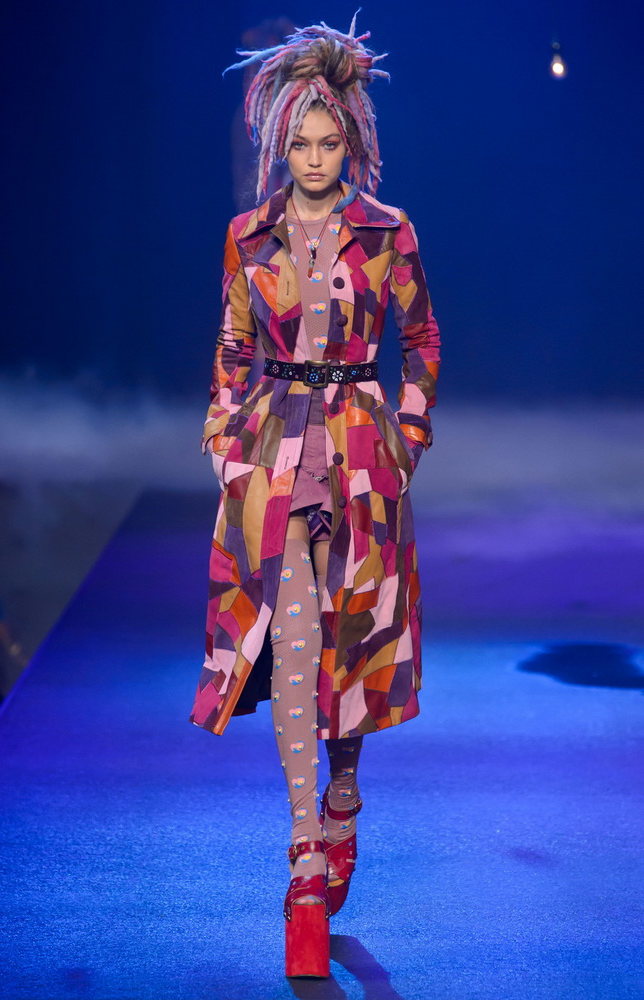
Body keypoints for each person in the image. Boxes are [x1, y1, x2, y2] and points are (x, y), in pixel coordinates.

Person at [189, 16, 441, 978]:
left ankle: (343, 795)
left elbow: (420, 339)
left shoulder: (388, 232)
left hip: (363, 454)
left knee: (351, 642)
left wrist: (408, 435)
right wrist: (224, 438)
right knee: (292, 637)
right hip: (275, 453)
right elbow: (232, 345)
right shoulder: (247, 237)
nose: (315, 159)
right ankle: (303, 860)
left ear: (353, 142)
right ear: (277, 144)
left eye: (330, 143)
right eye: (300, 143)